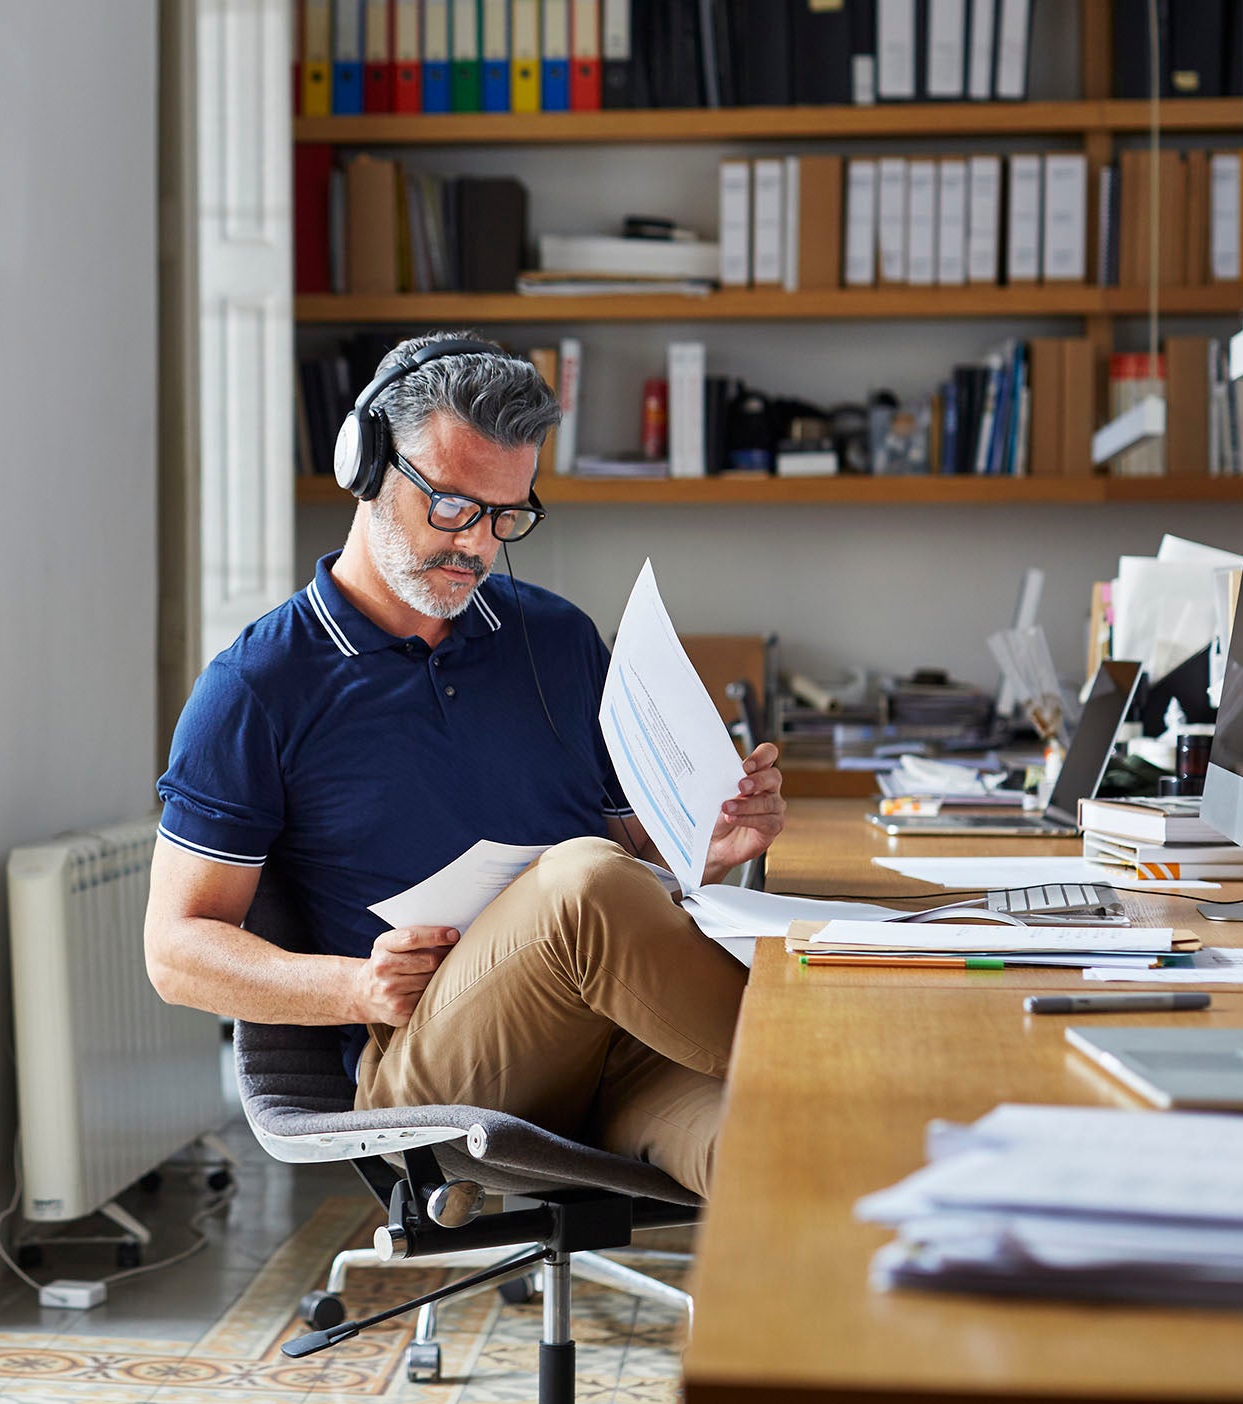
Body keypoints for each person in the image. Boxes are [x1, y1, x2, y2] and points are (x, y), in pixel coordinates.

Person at [142, 333, 784, 1196]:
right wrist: (357, 988)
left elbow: (644, 859)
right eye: (451, 505)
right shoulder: (257, 687)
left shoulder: (555, 640)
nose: (477, 545)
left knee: (794, 1152)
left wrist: (712, 841)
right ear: (368, 464)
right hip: (443, 1079)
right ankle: (839, 1054)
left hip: (621, 1051)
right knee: (583, 881)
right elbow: (175, 952)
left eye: (505, 515)